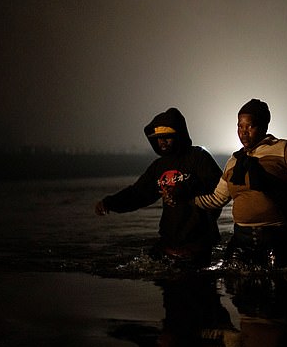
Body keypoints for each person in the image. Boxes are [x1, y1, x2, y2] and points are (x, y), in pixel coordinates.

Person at [192, 99, 287, 267]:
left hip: (278, 238)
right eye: (240, 126)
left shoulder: (283, 148)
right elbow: (217, 199)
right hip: (242, 240)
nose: (244, 132)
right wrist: (190, 200)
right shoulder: (234, 161)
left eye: (250, 126)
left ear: (263, 126)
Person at [94, 108, 222, 267]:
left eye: (167, 137)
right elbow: (138, 193)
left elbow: (218, 186)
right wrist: (110, 202)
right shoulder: (159, 166)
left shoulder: (199, 157)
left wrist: (184, 189)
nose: (162, 141)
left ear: (179, 135)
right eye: (158, 138)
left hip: (197, 243)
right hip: (169, 241)